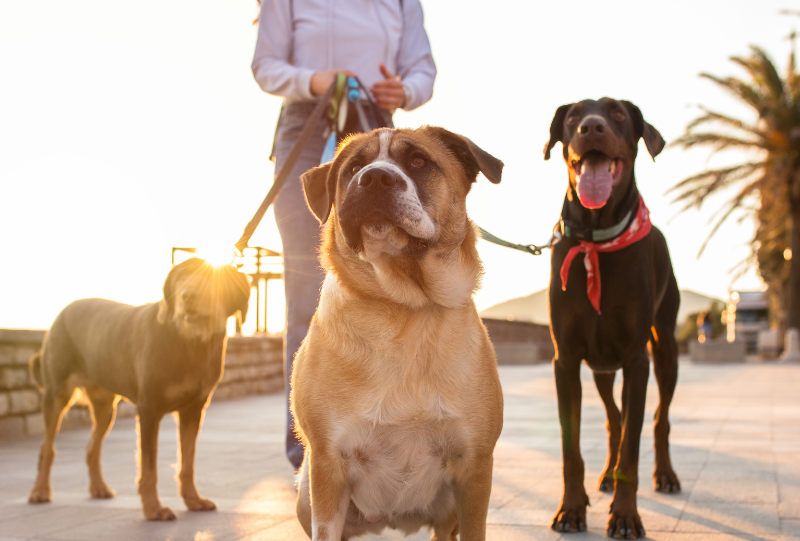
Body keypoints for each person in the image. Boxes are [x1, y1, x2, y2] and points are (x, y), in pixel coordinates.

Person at [251, 0, 436, 469]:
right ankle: (310, 450)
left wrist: (404, 90)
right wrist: (314, 80)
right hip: (307, 129)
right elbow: (265, 65)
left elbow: (423, 72)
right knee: (306, 288)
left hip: (378, 130)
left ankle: (383, 436)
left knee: (387, 283)